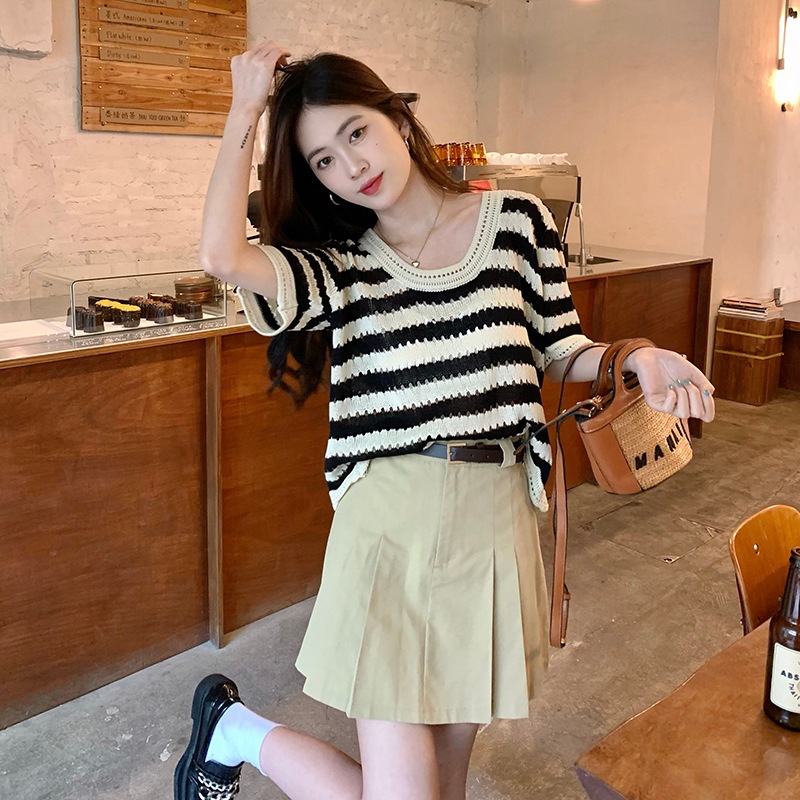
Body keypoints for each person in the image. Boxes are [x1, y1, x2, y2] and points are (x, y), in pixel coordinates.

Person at [173, 40, 716, 800]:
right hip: (390, 524)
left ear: (396, 117)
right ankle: (236, 733)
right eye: (323, 160)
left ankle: (230, 730)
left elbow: (559, 349)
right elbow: (221, 255)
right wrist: (244, 111)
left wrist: (638, 357)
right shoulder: (341, 265)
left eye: (356, 132)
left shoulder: (519, 222)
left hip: (495, 521)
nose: (350, 165)